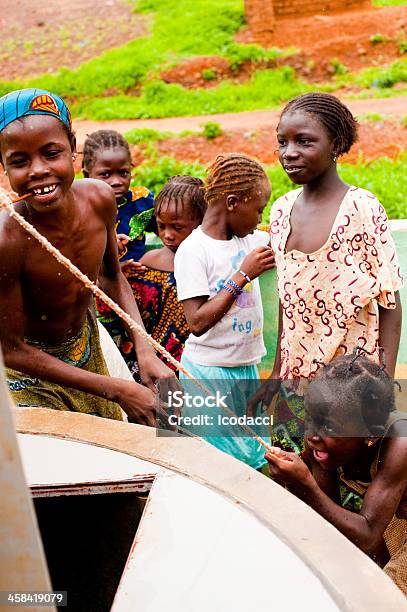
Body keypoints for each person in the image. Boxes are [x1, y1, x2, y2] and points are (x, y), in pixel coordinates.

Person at [0, 88, 175, 425]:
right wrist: (116, 389)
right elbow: (10, 349)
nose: (38, 170)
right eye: (19, 161)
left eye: (51, 153)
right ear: (4, 167)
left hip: (87, 345)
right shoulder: (8, 239)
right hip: (29, 377)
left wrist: (145, 348)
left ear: (73, 148)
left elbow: (112, 276)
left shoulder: (99, 199)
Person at [249, 92, 403, 451]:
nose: (289, 152)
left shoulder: (361, 208)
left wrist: (383, 381)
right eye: (282, 142)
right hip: (297, 380)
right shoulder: (282, 211)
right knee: (295, 472)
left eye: (304, 141)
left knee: (346, 484)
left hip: (350, 388)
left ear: (335, 144)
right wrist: (276, 373)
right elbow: (290, 301)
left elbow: (389, 302)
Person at [265, 353, 407, 596]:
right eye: (310, 418)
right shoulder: (321, 441)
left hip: (386, 520)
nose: (311, 435)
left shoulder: (400, 443)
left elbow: (367, 536)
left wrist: (305, 485)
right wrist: (296, 486)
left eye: (329, 426)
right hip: (390, 514)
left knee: (387, 595)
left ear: (370, 435)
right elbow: (328, 524)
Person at [174, 153, 275, 469]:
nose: (260, 219)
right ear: (233, 203)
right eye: (258, 210)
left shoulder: (249, 239)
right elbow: (196, 321)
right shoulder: (194, 251)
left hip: (244, 368)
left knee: (257, 455)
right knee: (217, 465)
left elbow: (288, 234)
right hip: (209, 374)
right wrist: (242, 275)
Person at [97, 175, 206, 375]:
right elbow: (121, 316)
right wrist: (118, 274)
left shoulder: (213, 264)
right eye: (161, 226)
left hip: (198, 367)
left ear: (202, 223)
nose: (167, 235)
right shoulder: (148, 264)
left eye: (177, 227)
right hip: (154, 365)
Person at [82, 129, 156, 272]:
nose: (116, 181)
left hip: (141, 278)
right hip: (99, 282)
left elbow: (167, 230)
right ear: (87, 175)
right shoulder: (80, 209)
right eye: (106, 174)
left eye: (123, 173)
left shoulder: (141, 202)